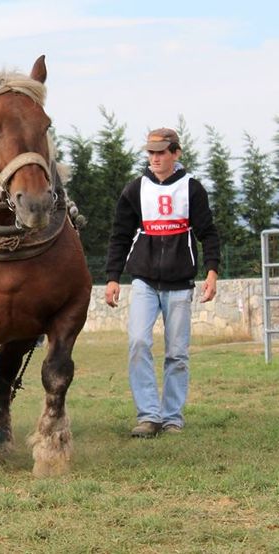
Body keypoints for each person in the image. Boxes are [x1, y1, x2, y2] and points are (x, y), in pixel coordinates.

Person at [104, 128, 220, 438]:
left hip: (181, 282)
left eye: (161, 152)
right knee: (138, 343)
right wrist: (113, 277)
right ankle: (148, 416)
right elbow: (120, 236)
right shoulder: (134, 190)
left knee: (177, 353)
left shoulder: (192, 189)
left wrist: (212, 271)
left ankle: (172, 418)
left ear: (176, 154)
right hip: (143, 281)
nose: (155, 158)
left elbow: (208, 233)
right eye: (151, 153)